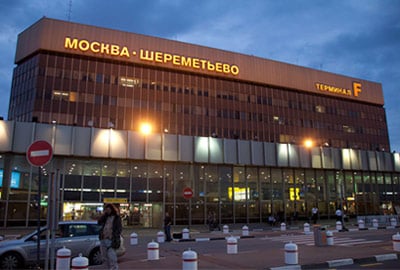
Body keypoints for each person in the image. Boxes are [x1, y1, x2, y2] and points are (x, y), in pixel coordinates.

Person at [98, 204, 122, 270]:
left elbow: (119, 229)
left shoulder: (116, 218)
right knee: (104, 258)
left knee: (112, 258)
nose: (107, 211)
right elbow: (99, 222)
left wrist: (115, 237)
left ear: (112, 209)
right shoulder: (105, 218)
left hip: (111, 239)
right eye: (106, 210)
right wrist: (103, 215)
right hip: (103, 238)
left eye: (109, 210)